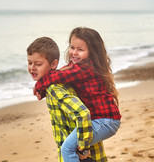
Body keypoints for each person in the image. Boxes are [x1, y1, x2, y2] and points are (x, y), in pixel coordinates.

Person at [33, 28, 121, 162]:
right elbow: (62, 75)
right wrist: (45, 90)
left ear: (92, 52)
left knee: (67, 149)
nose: (74, 52)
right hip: (102, 120)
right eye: (72, 47)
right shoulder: (78, 67)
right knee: (79, 152)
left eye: (80, 49)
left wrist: (39, 85)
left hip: (104, 121)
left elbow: (59, 75)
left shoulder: (85, 68)